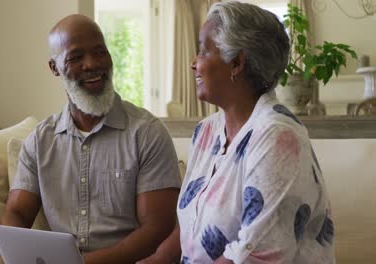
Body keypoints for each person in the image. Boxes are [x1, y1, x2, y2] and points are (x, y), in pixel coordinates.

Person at [138, 2, 335, 264]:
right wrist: (154, 260)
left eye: (203, 51)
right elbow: (192, 228)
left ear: (237, 63)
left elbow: (256, 256)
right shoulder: (206, 131)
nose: (193, 63)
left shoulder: (277, 137)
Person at [1, 14, 182, 264]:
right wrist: (20, 256)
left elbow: (156, 230)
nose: (92, 64)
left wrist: (82, 263)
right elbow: (17, 212)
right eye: (76, 57)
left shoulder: (147, 132)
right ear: (55, 68)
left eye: (100, 52)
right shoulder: (40, 141)